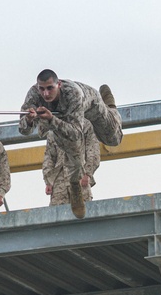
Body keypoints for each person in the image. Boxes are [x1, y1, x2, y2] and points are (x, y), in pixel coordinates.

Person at [19, 69, 122, 218]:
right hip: (61, 114)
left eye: (50, 88)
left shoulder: (73, 94)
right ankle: (74, 182)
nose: (46, 94)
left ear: (58, 84)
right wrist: (29, 120)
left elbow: (75, 134)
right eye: (42, 89)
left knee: (112, 139)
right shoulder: (33, 95)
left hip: (90, 107)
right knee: (67, 144)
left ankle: (110, 106)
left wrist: (51, 120)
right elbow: (23, 130)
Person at [43, 119, 100, 206]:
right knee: (58, 215)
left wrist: (88, 173)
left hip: (80, 177)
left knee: (83, 213)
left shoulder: (84, 125)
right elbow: (49, 157)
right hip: (59, 183)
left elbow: (92, 151)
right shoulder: (54, 129)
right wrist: (48, 181)